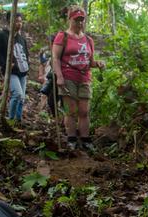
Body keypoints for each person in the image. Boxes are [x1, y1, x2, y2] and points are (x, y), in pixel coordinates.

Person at [52, 6, 105, 151]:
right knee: (71, 110)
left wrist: (98, 64)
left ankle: (86, 140)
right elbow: (55, 58)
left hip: (85, 77)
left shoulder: (88, 40)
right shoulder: (63, 36)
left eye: (82, 20)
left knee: (84, 111)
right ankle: (71, 139)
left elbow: (90, 61)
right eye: (77, 20)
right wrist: (60, 77)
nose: (80, 23)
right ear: (70, 19)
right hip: (68, 76)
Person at [0, 11, 30, 125]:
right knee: (17, 94)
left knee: (22, 98)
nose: (19, 24)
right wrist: (5, 64)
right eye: (16, 21)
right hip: (11, 71)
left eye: (20, 21)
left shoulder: (21, 39)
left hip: (22, 71)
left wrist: (27, 64)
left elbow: (26, 53)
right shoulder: (2, 36)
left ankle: (18, 120)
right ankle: (10, 119)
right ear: (10, 21)